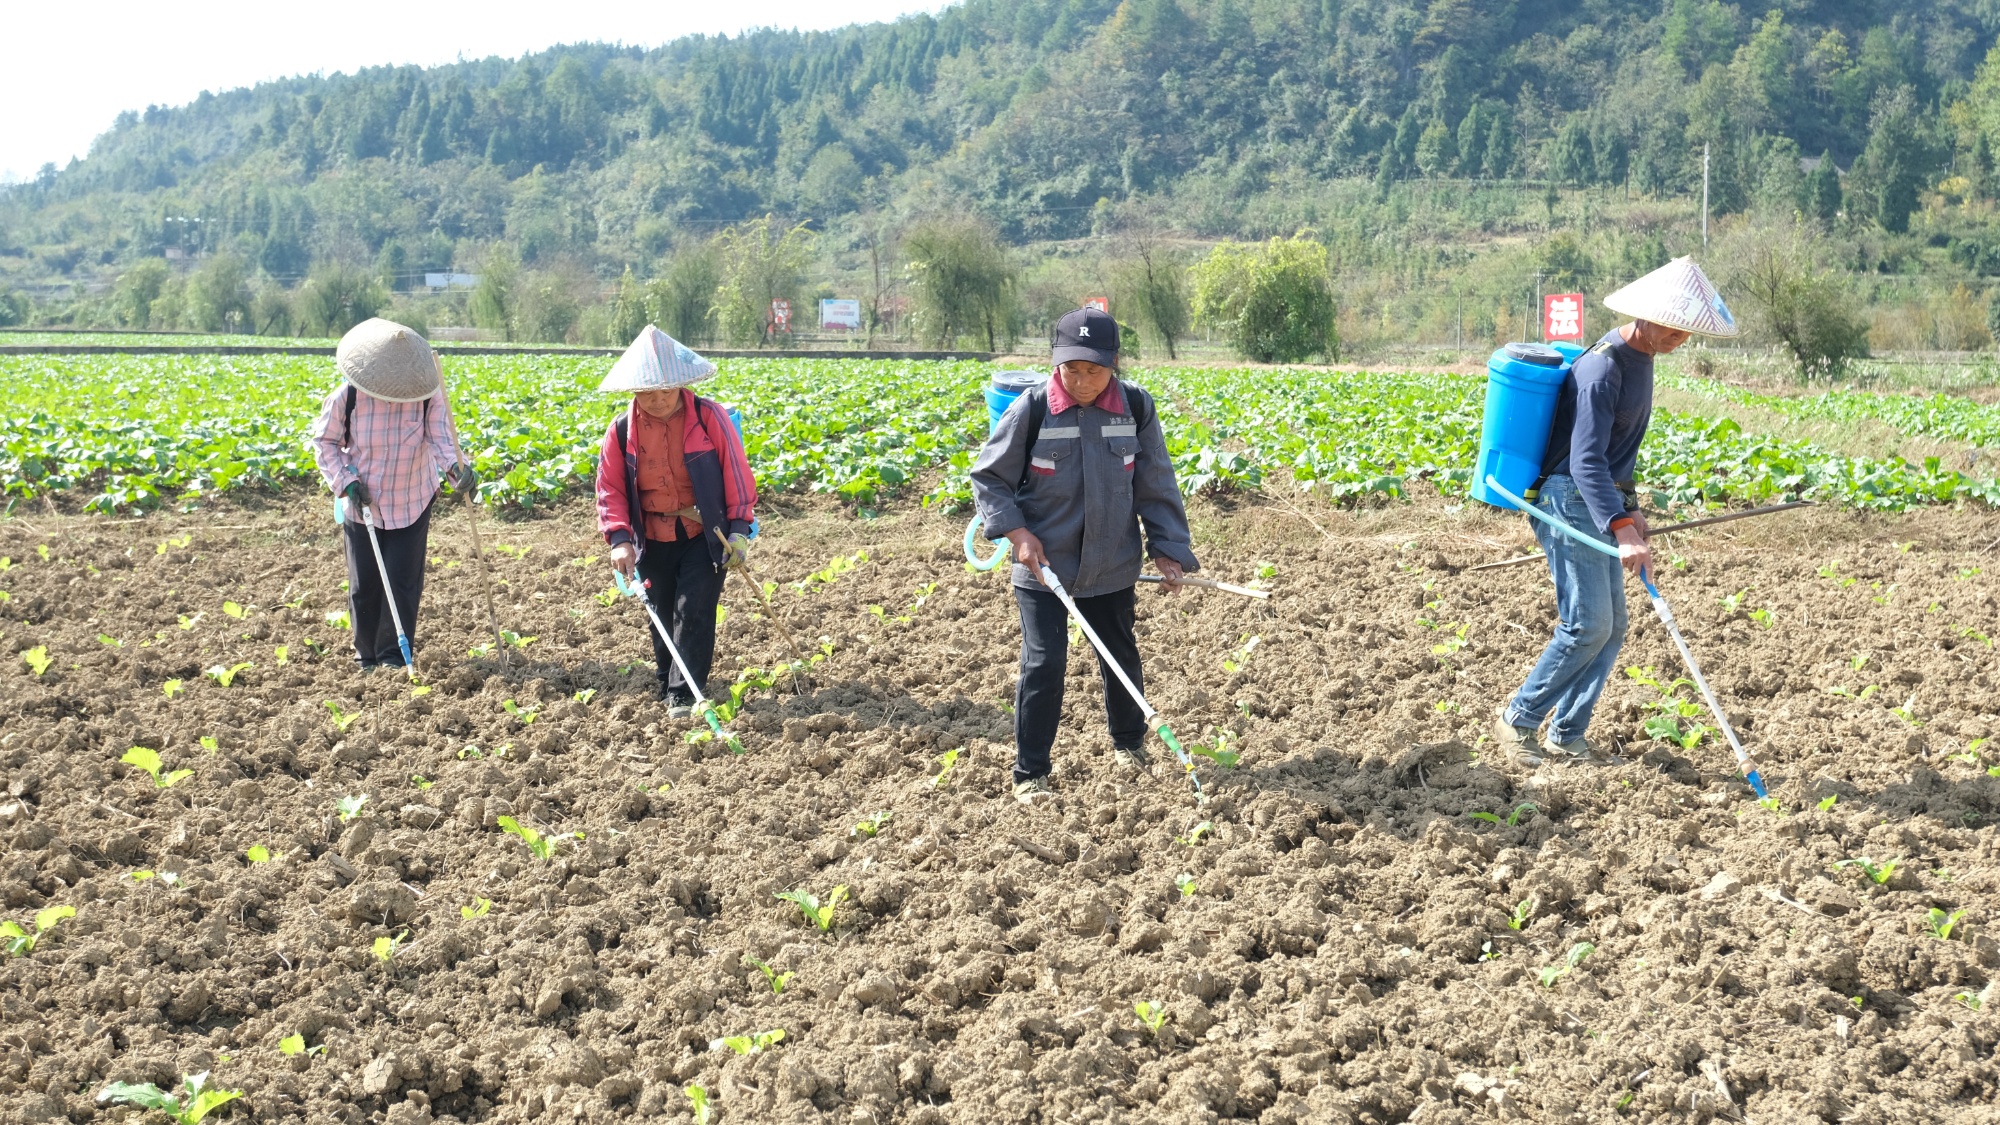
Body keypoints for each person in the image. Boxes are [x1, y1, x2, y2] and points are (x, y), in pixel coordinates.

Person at [1496, 257, 1738, 767]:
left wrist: (1630, 511)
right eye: (1674, 330)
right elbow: (1584, 460)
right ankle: (1517, 719)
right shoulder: (1602, 368)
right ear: (1646, 317)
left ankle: (1567, 731)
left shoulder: (1642, 358)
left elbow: (1614, 455)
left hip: (1600, 498)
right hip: (1568, 498)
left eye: (1687, 333)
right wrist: (1621, 527)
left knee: (1612, 626)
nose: (1680, 340)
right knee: (1586, 623)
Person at [971, 306, 1200, 804]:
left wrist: (1167, 551)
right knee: (1044, 663)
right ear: (1056, 362)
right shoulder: (1032, 409)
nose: (1080, 381)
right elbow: (990, 479)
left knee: (1120, 653)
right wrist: (1016, 534)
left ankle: (1130, 744)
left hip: (1112, 561)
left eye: (1092, 371)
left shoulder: (1135, 408)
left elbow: (1156, 484)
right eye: (1070, 369)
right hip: (1044, 567)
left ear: (1113, 363)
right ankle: (1031, 773)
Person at [593, 326, 756, 717]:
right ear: (634, 390)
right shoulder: (620, 431)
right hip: (650, 534)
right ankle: (668, 680)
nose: (659, 399)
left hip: (705, 532)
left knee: (694, 607)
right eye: (649, 392)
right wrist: (619, 538)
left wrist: (738, 530)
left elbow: (736, 472)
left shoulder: (708, 417)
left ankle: (685, 694)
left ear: (681, 385)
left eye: (667, 390)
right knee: (662, 611)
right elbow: (610, 489)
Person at [310, 318, 477, 672]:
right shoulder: (348, 396)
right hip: (362, 504)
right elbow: (325, 443)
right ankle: (365, 655)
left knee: (402, 580)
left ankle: (393, 657)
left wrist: (456, 469)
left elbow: (441, 439)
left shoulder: (425, 398)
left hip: (411, 499)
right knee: (364, 583)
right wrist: (346, 482)